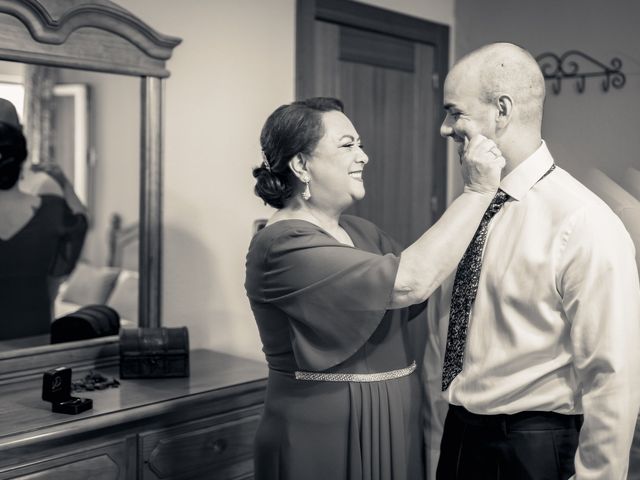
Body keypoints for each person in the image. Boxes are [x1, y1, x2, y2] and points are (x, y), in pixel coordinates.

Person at [245, 97, 505, 480]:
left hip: (395, 415)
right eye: (347, 145)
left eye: (360, 145)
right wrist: (477, 193)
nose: (363, 156)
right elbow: (411, 282)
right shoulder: (281, 244)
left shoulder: (362, 232)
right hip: (321, 431)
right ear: (301, 164)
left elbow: (436, 276)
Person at [422, 43, 640, 480]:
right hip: (460, 437)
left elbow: (613, 374)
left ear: (501, 111)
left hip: (531, 448)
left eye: (454, 112)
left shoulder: (582, 221)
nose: (445, 128)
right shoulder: (471, 206)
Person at [0, 98, 88, 341]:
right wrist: (66, 185)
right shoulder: (52, 208)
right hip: (34, 334)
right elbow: (80, 221)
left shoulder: (47, 193)